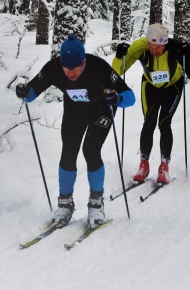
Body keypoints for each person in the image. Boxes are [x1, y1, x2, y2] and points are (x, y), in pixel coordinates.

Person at [15, 34, 135, 228]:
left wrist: (118, 99)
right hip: (75, 111)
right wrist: (24, 91)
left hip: (102, 110)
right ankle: (65, 203)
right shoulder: (54, 68)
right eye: (66, 69)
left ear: (84, 62)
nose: (70, 73)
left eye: (75, 68)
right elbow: (32, 92)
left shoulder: (99, 67)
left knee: (90, 149)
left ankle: (96, 203)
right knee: (68, 151)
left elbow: (130, 96)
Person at [113, 24, 190, 185]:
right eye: (151, 46)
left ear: (165, 43)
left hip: (173, 87)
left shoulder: (175, 49)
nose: (154, 50)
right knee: (148, 124)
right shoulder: (140, 47)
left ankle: (164, 166)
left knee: (164, 124)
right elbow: (116, 72)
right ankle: (143, 165)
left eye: (158, 47)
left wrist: (188, 57)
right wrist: (119, 56)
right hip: (150, 86)